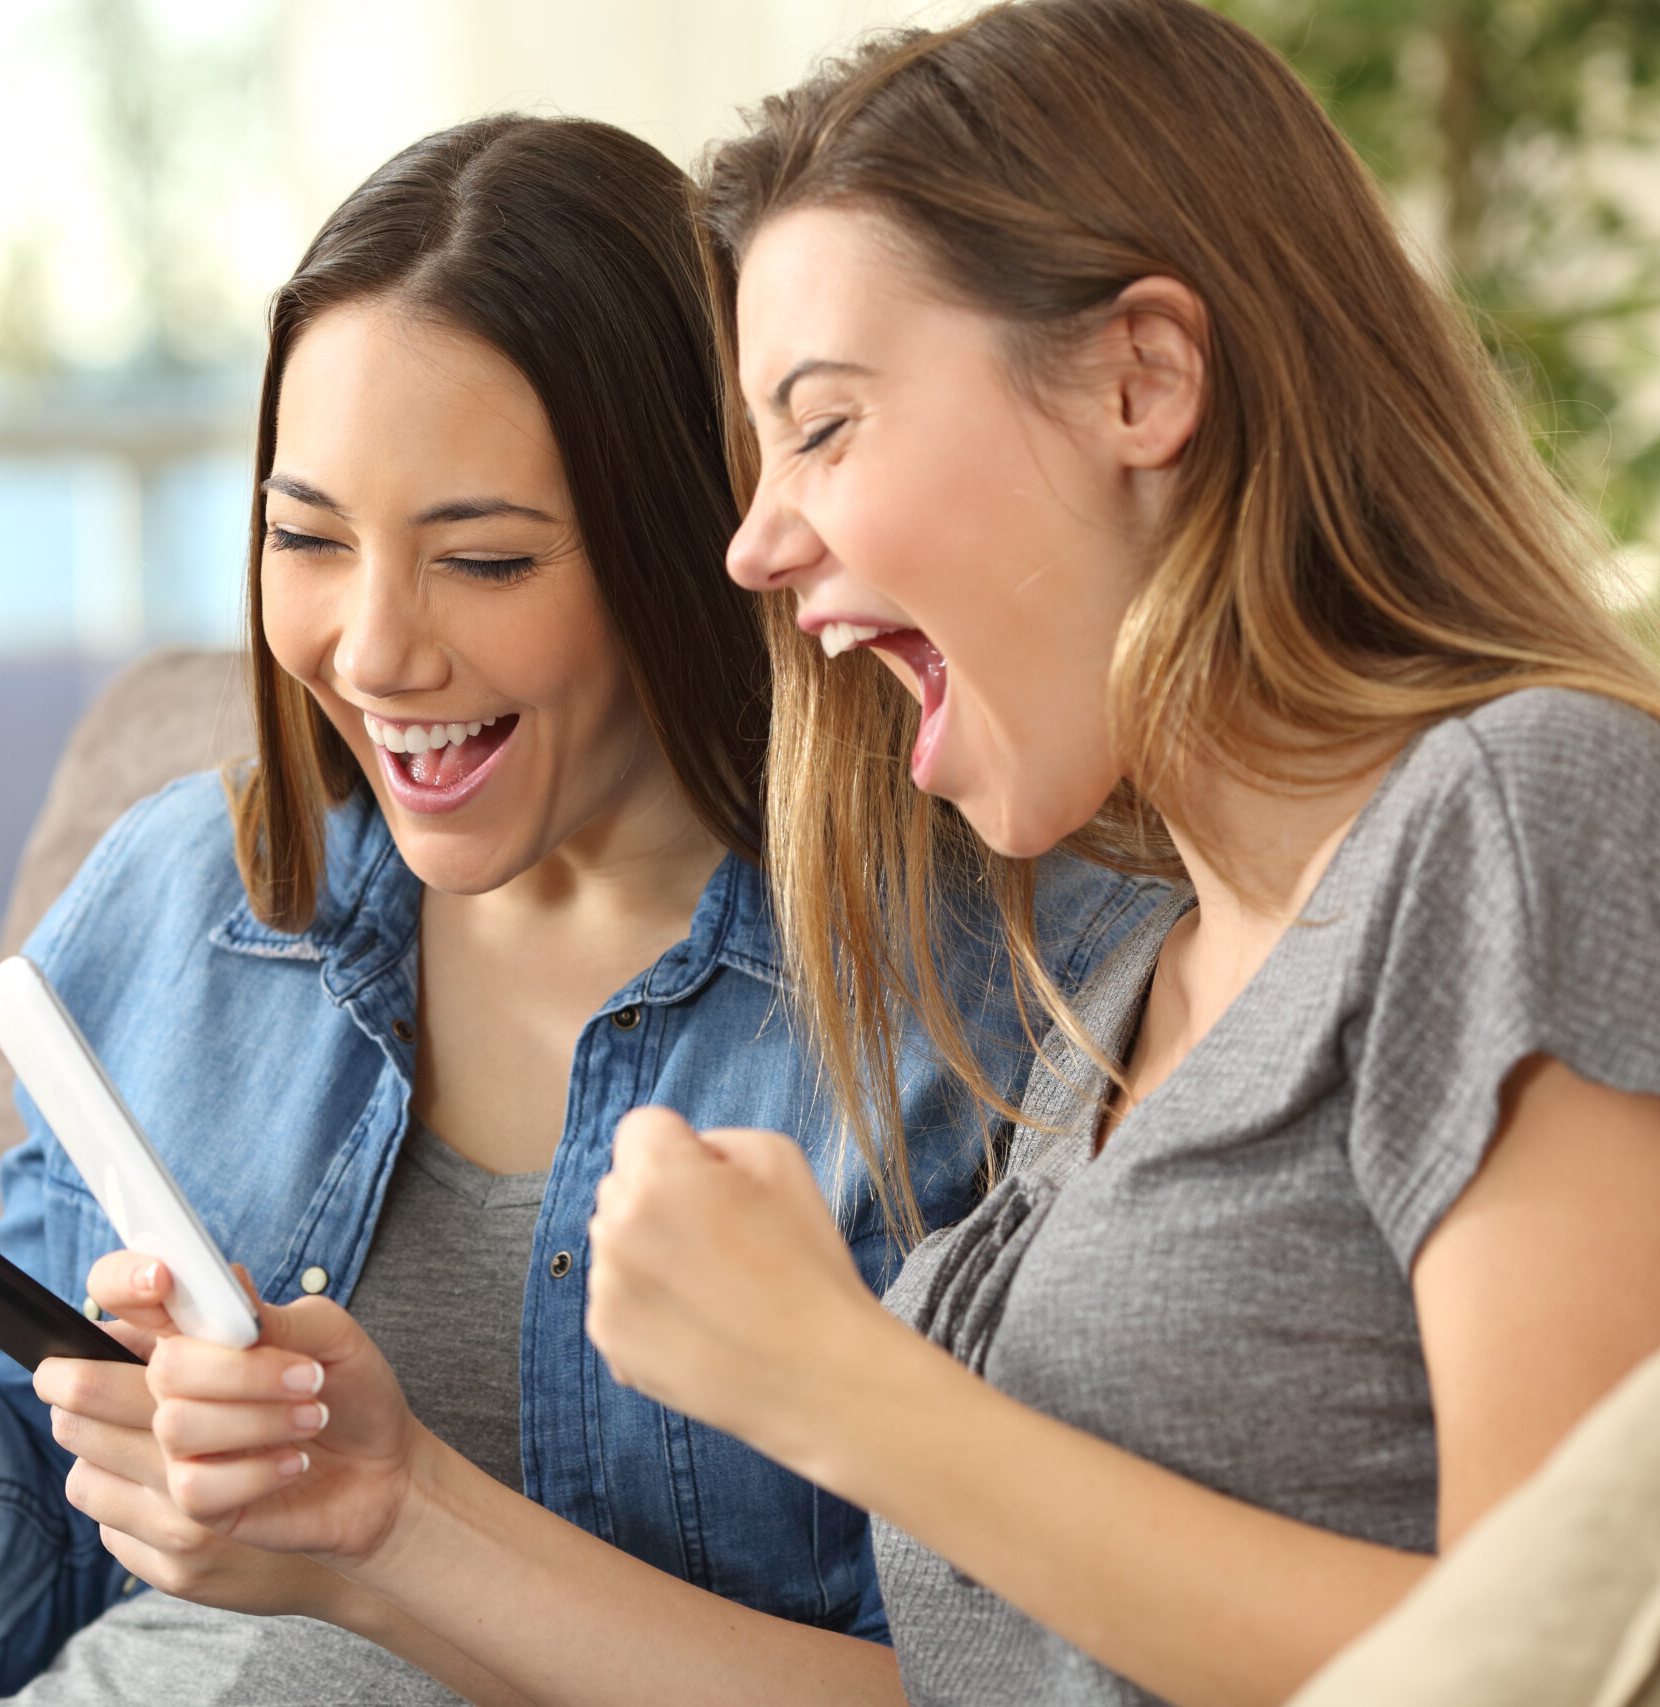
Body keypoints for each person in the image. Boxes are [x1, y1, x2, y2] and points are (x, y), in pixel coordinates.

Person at [131, 4, 1660, 1704]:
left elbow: (1560, 1659)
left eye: (824, 427)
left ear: (1141, 381)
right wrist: (391, 1517)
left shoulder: (1521, 805)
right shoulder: (1124, 1006)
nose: (752, 546)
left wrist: (844, 1390)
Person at [0, 114, 1144, 1706]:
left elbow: (1021, 1683)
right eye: (305, 537)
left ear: (693, 544)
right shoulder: (191, 897)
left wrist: (392, 1536)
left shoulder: (989, 1003)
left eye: (482, 561)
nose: (371, 652)